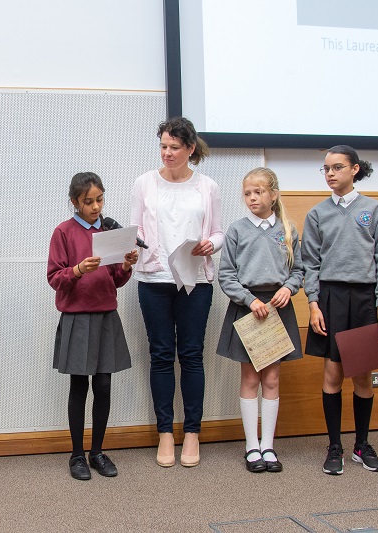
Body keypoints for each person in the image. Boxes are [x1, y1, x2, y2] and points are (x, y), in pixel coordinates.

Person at [129, 116, 223, 468]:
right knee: (161, 355)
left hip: (195, 281)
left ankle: (193, 432)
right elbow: (136, 228)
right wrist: (133, 247)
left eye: (174, 147)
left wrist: (209, 245)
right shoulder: (144, 183)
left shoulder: (207, 187)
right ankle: (166, 432)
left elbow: (218, 232)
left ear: (190, 149)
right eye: (163, 146)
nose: (167, 153)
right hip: (154, 280)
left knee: (192, 355)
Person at [302, 145, 378, 475]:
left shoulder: (376, 210)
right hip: (331, 298)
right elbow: (310, 263)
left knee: (363, 375)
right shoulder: (317, 214)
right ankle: (334, 447)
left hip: (366, 299)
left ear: (354, 170)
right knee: (332, 373)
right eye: (325, 169)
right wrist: (313, 304)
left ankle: (361, 444)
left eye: (337, 167)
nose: (329, 173)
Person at [47, 172, 138, 481]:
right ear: (74, 202)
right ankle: (76, 455)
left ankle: (97, 451)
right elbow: (54, 278)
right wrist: (76, 270)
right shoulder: (63, 232)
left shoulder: (109, 231)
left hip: (106, 317)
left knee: (103, 385)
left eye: (100, 200)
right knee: (79, 386)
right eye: (89, 202)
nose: (96, 207)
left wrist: (125, 265)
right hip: (77, 318)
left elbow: (116, 280)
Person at [216, 167, 303, 473]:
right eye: (247, 193)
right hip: (249, 308)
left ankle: (268, 445)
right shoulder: (237, 230)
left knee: (272, 379)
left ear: (273, 194)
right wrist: (249, 300)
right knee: (251, 379)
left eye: (259, 192)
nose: (252, 198)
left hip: (278, 309)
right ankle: (251, 446)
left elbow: (298, 271)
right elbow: (225, 275)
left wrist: (288, 289)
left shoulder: (288, 229)